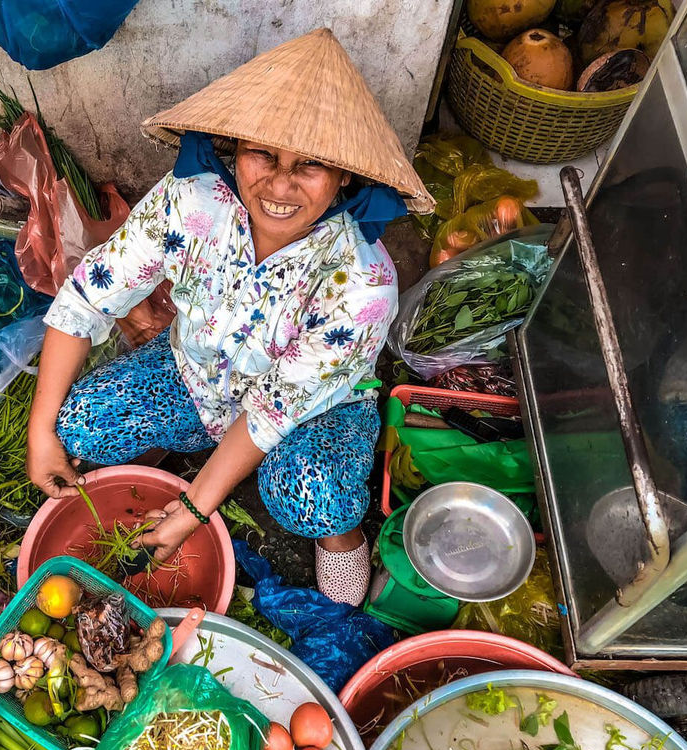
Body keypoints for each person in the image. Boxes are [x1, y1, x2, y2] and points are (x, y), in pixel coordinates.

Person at [26, 28, 433, 605]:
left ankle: (341, 537)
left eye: (311, 165)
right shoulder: (193, 203)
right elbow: (88, 296)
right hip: (196, 378)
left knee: (308, 493)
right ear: (234, 146)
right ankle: (174, 458)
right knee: (81, 422)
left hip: (310, 414)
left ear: (346, 176)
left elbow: (274, 410)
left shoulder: (360, 281)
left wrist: (192, 511)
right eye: (262, 152)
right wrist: (40, 432)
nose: (280, 184)